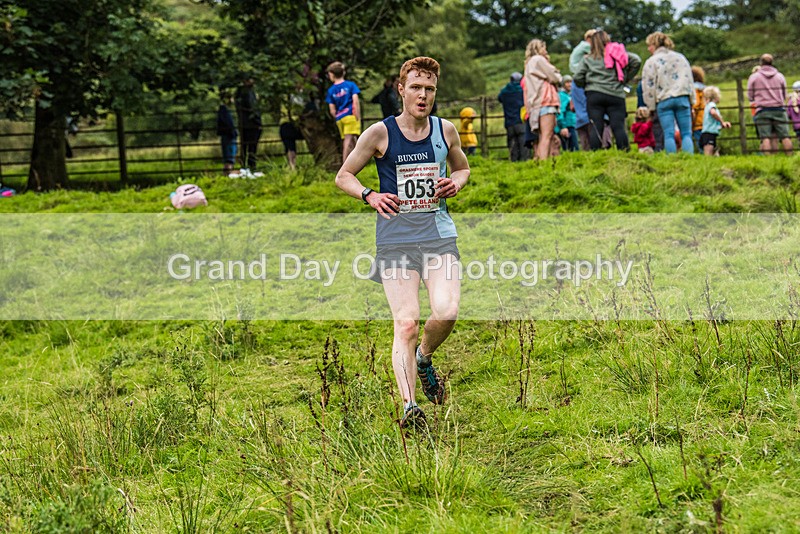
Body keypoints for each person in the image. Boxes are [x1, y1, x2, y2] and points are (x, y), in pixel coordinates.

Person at [334, 56, 469, 430]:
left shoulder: (446, 131)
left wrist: (455, 183)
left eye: (429, 89)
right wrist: (370, 195)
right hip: (395, 240)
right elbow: (343, 176)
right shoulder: (379, 133)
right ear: (401, 89)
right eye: (416, 88)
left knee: (446, 312)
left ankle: (424, 358)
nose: (423, 95)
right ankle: (411, 408)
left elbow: (462, 168)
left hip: (439, 236)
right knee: (406, 323)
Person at [573, 30, 641, 151]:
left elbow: (577, 76)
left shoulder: (587, 59)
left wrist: (586, 85)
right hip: (615, 94)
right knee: (618, 126)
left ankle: (596, 155)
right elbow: (636, 60)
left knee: (596, 126)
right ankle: (625, 152)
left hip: (594, 94)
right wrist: (625, 79)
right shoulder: (616, 54)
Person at [641, 32, 695, 154]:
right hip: (682, 97)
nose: (649, 48)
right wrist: (692, 100)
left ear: (654, 44)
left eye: (649, 45)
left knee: (668, 133)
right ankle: (689, 158)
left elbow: (648, 85)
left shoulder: (651, 61)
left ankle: (672, 159)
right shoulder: (680, 58)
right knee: (686, 133)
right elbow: (689, 79)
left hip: (664, 99)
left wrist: (651, 106)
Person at [524, 39, 562, 160]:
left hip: (536, 103)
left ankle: (541, 163)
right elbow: (555, 76)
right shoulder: (538, 60)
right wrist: (556, 76)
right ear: (538, 48)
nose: (545, 51)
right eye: (543, 48)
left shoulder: (529, 63)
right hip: (546, 100)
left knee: (541, 136)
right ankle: (544, 163)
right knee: (547, 135)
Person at [747, 54, 793, 155]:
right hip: (779, 109)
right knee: (785, 136)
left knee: (765, 137)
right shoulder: (780, 76)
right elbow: (785, 94)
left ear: (761, 63)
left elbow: (750, 96)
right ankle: (791, 157)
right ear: (772, 62)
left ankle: (768, 160)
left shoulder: (754, 77)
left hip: (762, 109)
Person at [326, 61, 362, 163]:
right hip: (351, 115)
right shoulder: (350, 85)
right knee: (348, 140)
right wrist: (357, 115)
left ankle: (357, 163)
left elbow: (331, 109)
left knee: (351, 140)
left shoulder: (331, 90)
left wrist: (336, 116)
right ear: (343, 73)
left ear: (332, 74)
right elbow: (355, 100)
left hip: (340, 117)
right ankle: (345, 165)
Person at [569, 30, 595, 151]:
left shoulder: (579, 47)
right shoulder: (586, 46)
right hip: (581, 73)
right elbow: (597, 55)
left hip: (577, 73)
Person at [235, 78, 264, 176]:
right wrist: (258, 121)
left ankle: (244, 166)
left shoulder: (239, 92)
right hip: (251, 124)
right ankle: (251, 166)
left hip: (244, 123)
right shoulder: (248, 93)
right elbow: (253, 108)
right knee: (252, 146)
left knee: (244, 146)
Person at [498, 72, 528, 161]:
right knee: (523, 142)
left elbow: (499, 98)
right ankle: (524, 161)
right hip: (520, 121)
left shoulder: (504, 91)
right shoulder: (522, 90)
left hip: (509, 122)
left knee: (512, 142)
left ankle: (514, 161)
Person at [700, 86, 732, 156]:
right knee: (708, 154)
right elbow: (713, 113)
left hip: (708, 133)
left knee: (711, 153)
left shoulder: (708, 105)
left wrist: (721, 124)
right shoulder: (712, 105)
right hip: (709, 133)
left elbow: (712, 121)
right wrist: (722, 122)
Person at [216, 92, 238, 176]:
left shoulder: (225, 110)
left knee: (229, 155)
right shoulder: (224, 110)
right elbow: (228, 123)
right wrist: (232, 132)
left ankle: (228, 172)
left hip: (228, 135)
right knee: (229, 155)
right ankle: (228, 172)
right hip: (228, 135)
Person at [557, 76, 579, 151]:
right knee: (573, 149)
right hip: (567, 126)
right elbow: (560, 111)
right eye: (567, 82)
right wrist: (563, 126)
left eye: (571, 82)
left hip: (572, 125)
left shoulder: (569, 95)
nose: (570, 84)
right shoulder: (562, 96)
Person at [691, 66, 706, 152]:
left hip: (698, 120)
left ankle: (703, 155)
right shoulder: (703, 88)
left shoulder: (695, 89)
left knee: (700, 141)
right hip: (704, 118)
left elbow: (695, 103)